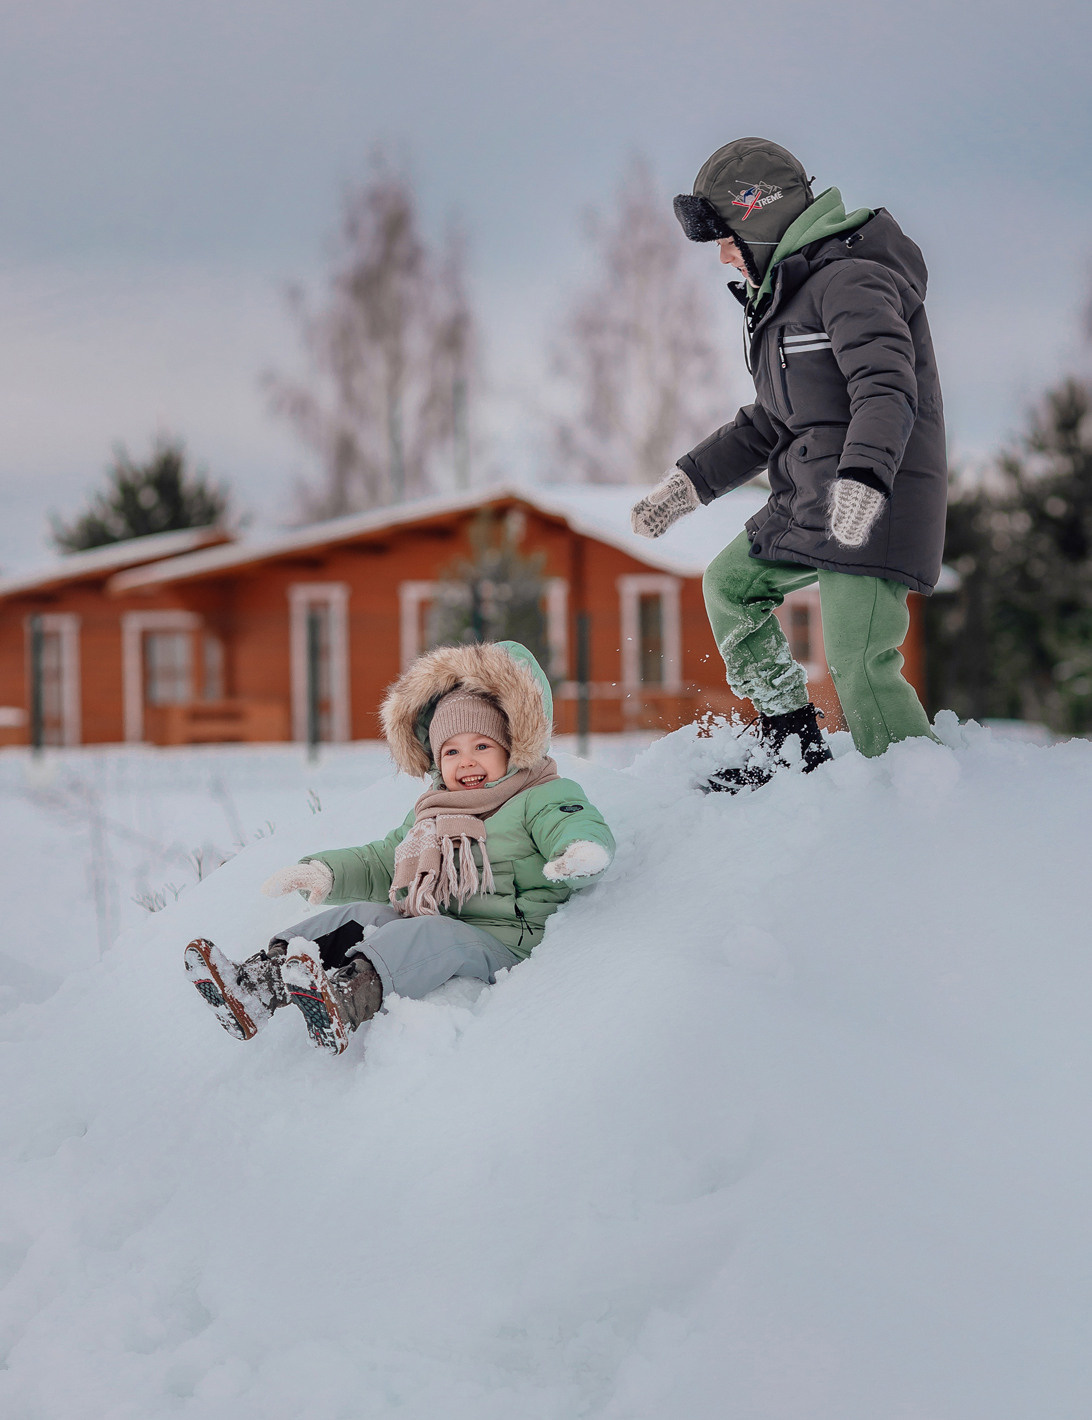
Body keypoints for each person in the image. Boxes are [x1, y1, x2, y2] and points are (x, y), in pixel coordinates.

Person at [631, 136, 947, 791]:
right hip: (810, 500)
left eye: (726, 239)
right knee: (730, 586)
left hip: (874, 499)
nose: (722, 256)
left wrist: (865, 477)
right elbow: (770, 422)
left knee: (857, 659)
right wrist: (688, 484)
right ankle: (791, 742)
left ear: (761, 218)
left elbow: (887, 386)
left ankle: (914, 794)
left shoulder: (851, 280)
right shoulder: (785, 303)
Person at [185, 640, 615, 1054]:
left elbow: (571, 821)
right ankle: (257, 985)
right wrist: (325, 872)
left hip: (506, 943)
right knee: (362, 915)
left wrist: (579, 851)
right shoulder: (434, 811)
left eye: (482, 746)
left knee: (432, 933)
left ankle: (346, 999)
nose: (466, 761)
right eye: (451, 751)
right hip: (438, 924)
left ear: (514, 745)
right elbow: (384, 861)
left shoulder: (539, 794)